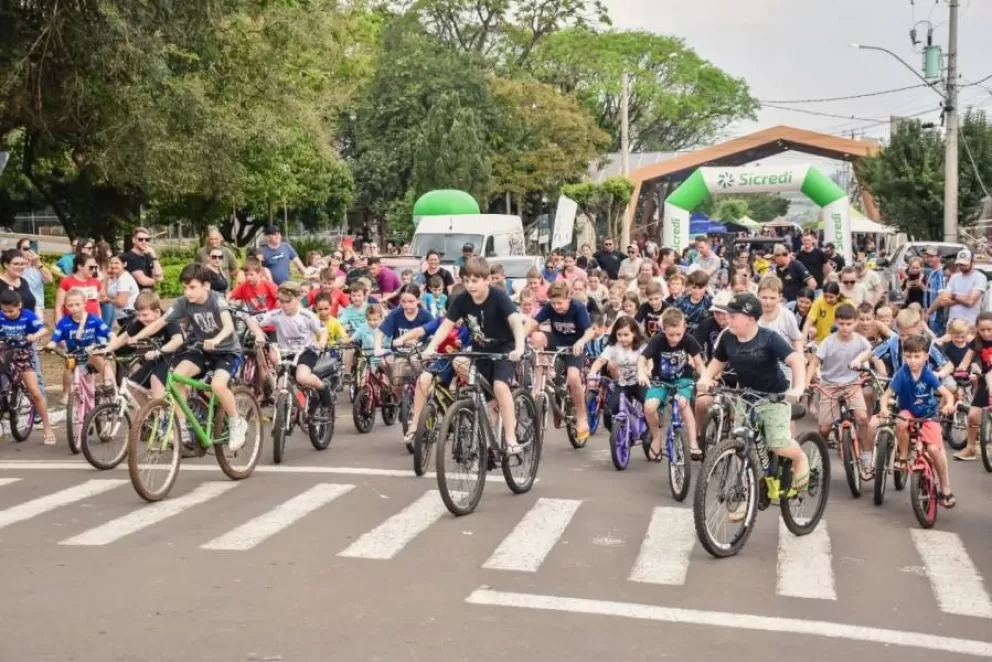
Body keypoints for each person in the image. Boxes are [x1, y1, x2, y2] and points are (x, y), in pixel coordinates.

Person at [128, 264, 262, 451]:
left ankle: (236, 422)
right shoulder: (183, 303)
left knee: (217, 385)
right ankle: (182, 428)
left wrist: (216, 339)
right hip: (202, 350)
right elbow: (160, 322)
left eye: (192, 287)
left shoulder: (216, 300)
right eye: (185, 287)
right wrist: (137, 337)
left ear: (205, 286)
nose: (187, 292)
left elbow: (228, 326)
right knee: (176, 378)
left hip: (227, 352)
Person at [697, 293, 811, 509]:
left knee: (778, 444)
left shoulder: (769, 338)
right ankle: (745, 494)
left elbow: (795, 360)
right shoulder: (728, 337)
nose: (728, 318)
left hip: (774, 397)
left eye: (733, 315)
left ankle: (800, 459)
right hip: (746, 396)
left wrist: (797, 388)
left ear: (750, 319)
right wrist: (706, 377)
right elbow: (718, 362)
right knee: (741, 445)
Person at [422, 257, 527, 454]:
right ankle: (487, 445)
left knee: (500, 386)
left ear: (487, 280)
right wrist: (431, 347)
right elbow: (446, 325)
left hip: (505, 349)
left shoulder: (498, 297)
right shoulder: (462, 300)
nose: (470, 285)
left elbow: (515, 322)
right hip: (481, 351)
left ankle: (510, 437)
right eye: (466, 280)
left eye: (475, 280)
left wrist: (519, 348)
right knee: (467, 374)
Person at [877, 334, 956, 508]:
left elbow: (947, 394)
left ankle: (945, 488)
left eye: (917, 356)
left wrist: (949, 405)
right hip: (909, 411)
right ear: (904, 356)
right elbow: (886, 396)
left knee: (934, 450)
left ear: (925, 357)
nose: (912, 360)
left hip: (929, 414)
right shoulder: (901, 374)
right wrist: (883, 408)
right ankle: (904, 455)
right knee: (901, 421)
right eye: (908, 356)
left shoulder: (928, 374)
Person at [525, 280, 597, 443]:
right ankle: (538, 386)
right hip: (556, 343)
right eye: (553, 303)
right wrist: (518, 339)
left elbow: (590, 331)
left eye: (560, 303)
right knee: (537, 336)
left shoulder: (577, 307)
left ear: (568, 298)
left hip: (574, 347)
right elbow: (533, 323)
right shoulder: (550, 307)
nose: (556, 306)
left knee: (573, 377)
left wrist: (581, 341)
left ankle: (581, 417)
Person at [806, 303, 872, 476]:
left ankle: (867, 456)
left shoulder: (859, 340)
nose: (845, 327)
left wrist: (859, 359)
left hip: (852, 385)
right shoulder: (828, 342)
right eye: (841, 323)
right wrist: (806, 382)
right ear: (836, 322)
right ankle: (816, 460)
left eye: (849, 324)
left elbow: (869, 351)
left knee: (862, 418)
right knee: (824, 429)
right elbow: (814, 362)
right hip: (829, 386)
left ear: (855, 322)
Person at [255, 281, 333, 414]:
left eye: (288, 301)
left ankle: (324, 389)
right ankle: (286, 416)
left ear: (297, 299)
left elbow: (323, 330)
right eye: (281, 301)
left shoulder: (306, 315)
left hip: (305, 351)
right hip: (286, 353)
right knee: (281, 386)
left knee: (302, 377)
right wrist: (258, 333)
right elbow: (252, 320)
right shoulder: (276, 314)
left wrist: (322, 341)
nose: (284, 305)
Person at [638, 308, 704, 460]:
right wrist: (641, 372)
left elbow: (699, 363)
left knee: (682, 403)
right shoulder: (658, 340)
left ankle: (693, 442)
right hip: (660, 380)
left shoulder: (688, 339)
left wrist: (703, 378)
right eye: (670, 335)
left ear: (684, 328)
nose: (675, 339)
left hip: (683, 379)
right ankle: (656, 437)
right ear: (664, 330)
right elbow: (642, 358)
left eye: (678, 334)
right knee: (649, 407)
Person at [98, 291, 184, 400]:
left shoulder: (169, 320)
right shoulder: (142, 321)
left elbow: (178, 340)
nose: (141, 318)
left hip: (175, 357)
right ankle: (148, 409)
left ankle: (159, 410)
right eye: (138, 315)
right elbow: (124, 337)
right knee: (132, 386)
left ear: (157, 311)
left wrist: (159, 352)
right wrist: (107, 349)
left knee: (156, 381)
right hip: (157, 358)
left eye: (145, 315)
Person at [0, 290, 55, 444]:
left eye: (11, 311)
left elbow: (43, 329)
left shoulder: (28, 316)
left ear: (20, 306)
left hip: (23, 354)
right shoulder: (1, 316)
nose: (7, 314)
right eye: (4, 311)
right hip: (4, 352)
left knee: (35, 393)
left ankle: (47, 427)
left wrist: (34, 336)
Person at [49, 288, 115, 392]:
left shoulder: (94, 319)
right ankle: (66, 394)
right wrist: (51, 345)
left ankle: (112, 388)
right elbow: (55, 338)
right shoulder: (64, 322)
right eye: (70, 305)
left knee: (102, 363)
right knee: (68, 367)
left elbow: (109, 332)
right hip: (74, 355)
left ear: (84, 303)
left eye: (77, 304)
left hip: (92, 353)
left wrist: (112, 339)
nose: (74, 308)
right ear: (66, 306)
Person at [586, 316, 646, 417]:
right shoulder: (613, 347)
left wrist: (647, 371)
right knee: (608, 413)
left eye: (626, 335)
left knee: (649, 407)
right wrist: (592, 373)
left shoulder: (641, 346)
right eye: (619, 335)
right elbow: (600, 361)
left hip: (640, 383)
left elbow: (650, 361)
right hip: (622, 385)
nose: (622, 338)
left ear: (634, 333)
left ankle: (651, 427)